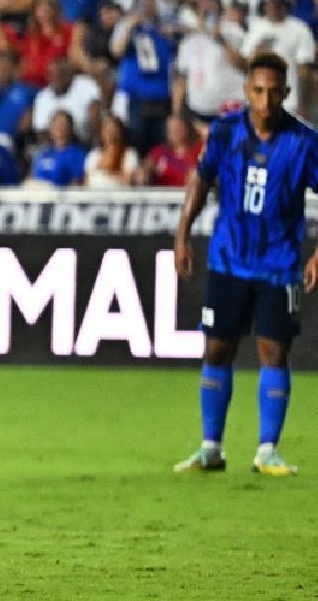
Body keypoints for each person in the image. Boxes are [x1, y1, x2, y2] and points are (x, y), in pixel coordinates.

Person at [173, 52, 318, 477]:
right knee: (217, 346)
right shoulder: (224, 132)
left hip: (279, 263)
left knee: (273, 350)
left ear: (286, 93)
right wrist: (182, 235)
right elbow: (201, 180)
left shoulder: (304, 141)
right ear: (246, 91)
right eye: (259, 90)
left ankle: (268, 449)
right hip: (228, 258)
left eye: (274, 91)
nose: (266, 99)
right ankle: (210, 447)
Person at [111, 0, 176, 155]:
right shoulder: (127, 25)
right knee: (138, 144)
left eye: (150, 0)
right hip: (137, 98)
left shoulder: (165, 25)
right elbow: (116, 50)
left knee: (162, 146)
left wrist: (171, 31)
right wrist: (131, 25)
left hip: (162, 97)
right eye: (142, 0)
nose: (147, 4)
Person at [173, 0, 246, 131]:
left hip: (231, 110)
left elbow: (243, 65)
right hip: (200, 113)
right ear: (197, 15)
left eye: (211, 12)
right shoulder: (188, 41)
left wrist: (221, 40)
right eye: (204, 12)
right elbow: (181, 80)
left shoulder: (234, 33)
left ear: (220, 14)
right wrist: (176, 114)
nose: (207, 17)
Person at [240, 0, 316, 117]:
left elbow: (305, 73)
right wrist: (256, 54)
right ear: (264, 5)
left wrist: (304, 105)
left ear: (285, 4)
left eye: (277, 2)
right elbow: (245, 65)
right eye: (269, 2)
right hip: (258, 103)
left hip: (289, 104)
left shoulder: (300, 29)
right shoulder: (256, 28)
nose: (273, 5)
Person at [32, 56, 101, 141]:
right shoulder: (42, 96)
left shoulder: (85, 84)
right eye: (53, 74)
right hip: (55, 146)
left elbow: (95, 117)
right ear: (48, 77)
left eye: (61, 73)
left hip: (85, 142)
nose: (57, 76)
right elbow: (41, 132)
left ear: (70, 73)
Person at [137, 112, 201, 187]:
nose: (174, 132)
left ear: (187, 128)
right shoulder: (159, 151)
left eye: (178, 127)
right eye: (170, 129)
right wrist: (144, 172)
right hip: (163, 196)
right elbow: (147, 165)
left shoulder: (199, 149)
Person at [29, 109, 85, 186]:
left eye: (63, 124)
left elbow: (76, 182)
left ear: (70, 128)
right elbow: (33, 177)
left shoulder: (78, 154)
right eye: (56, 124)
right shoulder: (43, 153)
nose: (59, 128)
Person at [83, 113, 137, 187]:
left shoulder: (129, 154)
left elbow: (128, 181)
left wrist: (105, 175)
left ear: (121, 132)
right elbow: (86, 183)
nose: (111, 133)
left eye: (114, 129)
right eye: (107, 129)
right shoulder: (93, 155)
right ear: (101, 133)